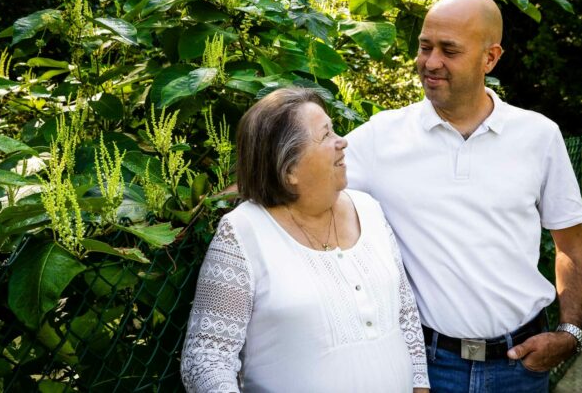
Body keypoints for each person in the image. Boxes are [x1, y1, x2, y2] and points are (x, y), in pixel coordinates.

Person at [345, 0, 582, 392]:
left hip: (521, 368)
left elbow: (571, 246)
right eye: (425, 47)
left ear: (490, 58)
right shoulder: (380, 137)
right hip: (425, 369)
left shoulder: (539, 136)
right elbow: (298, 177)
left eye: (449, 50)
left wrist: (570, 334)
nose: (430, 62)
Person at [180, 88, 430, 392]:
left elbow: (405, 316)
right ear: (289, 170)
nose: (342, 142)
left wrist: (420, 387)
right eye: (326, 135)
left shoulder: (369, 210)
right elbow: (206, 360)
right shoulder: (242, 232)